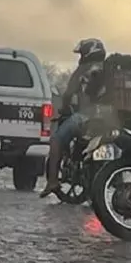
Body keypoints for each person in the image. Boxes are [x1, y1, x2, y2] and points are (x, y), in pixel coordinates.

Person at [39, 38, 108, 198]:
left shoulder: (83, 70)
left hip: (86, 117)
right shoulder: (111, 70)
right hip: (111, 119)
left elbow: (69, 93)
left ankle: (53, 181)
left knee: (56, 140)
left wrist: (64, 108)